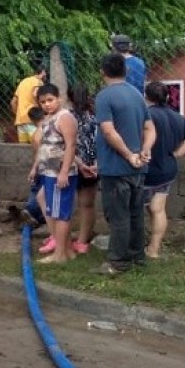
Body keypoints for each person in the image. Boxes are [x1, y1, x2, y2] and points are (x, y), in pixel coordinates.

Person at [94, 52, 155, 275]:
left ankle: (118, 262)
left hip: (116, 167)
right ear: (126, 71)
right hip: (139, 166)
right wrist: (145, 150)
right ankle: (137, 256)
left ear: (102, 72)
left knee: (118, 215)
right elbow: (150, 128)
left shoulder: (104, 97)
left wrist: (129, 154)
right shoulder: (137, 95)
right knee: (136, 213)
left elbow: (108, 131)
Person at [143, 81, 185, 258]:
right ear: (167, 96)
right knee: (158, 209)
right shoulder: (177, 117)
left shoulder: (146, 116)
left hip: (146, 170)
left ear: (146, 96)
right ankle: (154, 248)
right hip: (167, 170)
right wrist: (179, 153)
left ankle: (143, 249)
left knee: (144, 209)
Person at [29, 84, 78, 264]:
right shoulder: (50, 118)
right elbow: (43, 145)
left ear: (59, 98)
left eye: (50, 100)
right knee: (55, 211)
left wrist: (64, 172)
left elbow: (71, 146)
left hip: (59, 174)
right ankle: (67, 250)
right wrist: (36, 167)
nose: (47, 104)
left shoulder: (64, 118)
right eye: (43, 102)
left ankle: (60, 255)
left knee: (60, 214)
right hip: (49, 172)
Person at [69, 85, 99, 255]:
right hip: (93, 166)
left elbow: (66, 145)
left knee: (66, 203)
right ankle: (82, 240)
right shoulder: (96, 116)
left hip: (73, 164)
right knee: (87, 204)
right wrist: (96, 163)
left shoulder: (67, 117)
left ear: (69, 99)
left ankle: (64, 238)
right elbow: (100, 141)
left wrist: (79, 163)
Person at [23, 106, 48, 228]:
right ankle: (37, 216)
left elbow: (39, 154)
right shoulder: (50, 128)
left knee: (37, 190)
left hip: (42, 167)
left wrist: (34, 168)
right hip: (51, 166)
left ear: (32, 120)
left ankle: (30, 212)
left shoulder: (36, 135)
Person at [11, 61, 46, 143]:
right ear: (43, 72)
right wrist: (41, 110)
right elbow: (35, 94)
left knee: (23, 150)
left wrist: (18, 114)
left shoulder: (23, 82)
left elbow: (13, 102)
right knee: (37, 146)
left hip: (20, 121)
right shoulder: (38, 81)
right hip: (33, 119)